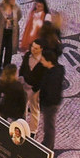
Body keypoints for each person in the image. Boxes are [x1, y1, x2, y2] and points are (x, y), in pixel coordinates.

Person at [31, 19, 67, 148]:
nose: (41, 61)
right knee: (48, 125)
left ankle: (48, 145)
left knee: (49, 125)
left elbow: (49, 89)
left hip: (50, 103)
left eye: (43, 60)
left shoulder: (52, 74)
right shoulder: (57, 69)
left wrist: (43, 100)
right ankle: (47, 143)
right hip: (52, 102)